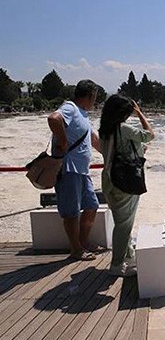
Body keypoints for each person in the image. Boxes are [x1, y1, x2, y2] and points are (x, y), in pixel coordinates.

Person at [99, 94, 154, 276]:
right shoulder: (124, 128)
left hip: (108, 181)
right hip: (124, 182)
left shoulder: (105, 129)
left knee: (122, 221)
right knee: (123, 225)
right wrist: (140, 114)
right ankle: (116, 265)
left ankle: (128, 255)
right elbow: (150, 135)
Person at [48, 79, 102, 262]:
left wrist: (111, 155)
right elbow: (53, 118)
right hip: (69, 169)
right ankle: (76, 250)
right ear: (90, 95)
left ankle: (83, 242)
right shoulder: (70, 107)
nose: (95, 101)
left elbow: (94, 141)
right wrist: (63, 141)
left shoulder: (84, 114)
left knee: (91, 205)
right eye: (95, 97)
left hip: (81, 170)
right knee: (71, 212)